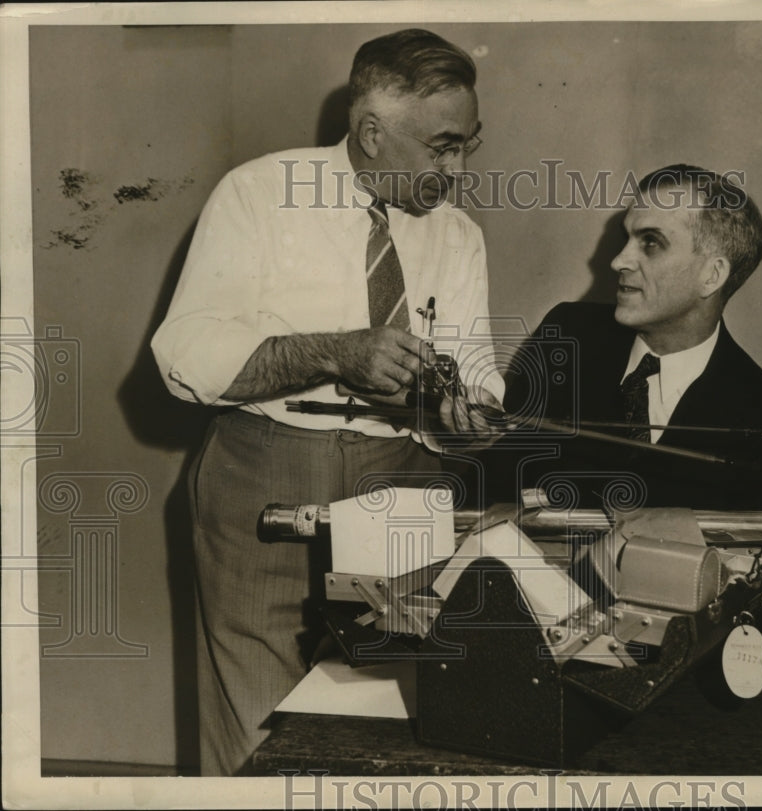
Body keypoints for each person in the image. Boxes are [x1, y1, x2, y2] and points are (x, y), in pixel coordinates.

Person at [151, 29, 502, 775]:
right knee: (251, 719)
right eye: (441, 146)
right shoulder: (257, 194)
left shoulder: (460, 236)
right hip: (262, 465)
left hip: (404, 473)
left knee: (395, 707)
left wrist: (468, 407)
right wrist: (333, 352)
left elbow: (474, 364)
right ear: (371, 132)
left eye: (468, 144)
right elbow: (185, 360)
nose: (458, 168)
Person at [494, 164, 762, 512]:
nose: (619, 261)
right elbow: (489, 486)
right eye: (625, 238)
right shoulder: (567, 338)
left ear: (712, 275)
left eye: (651, 243)